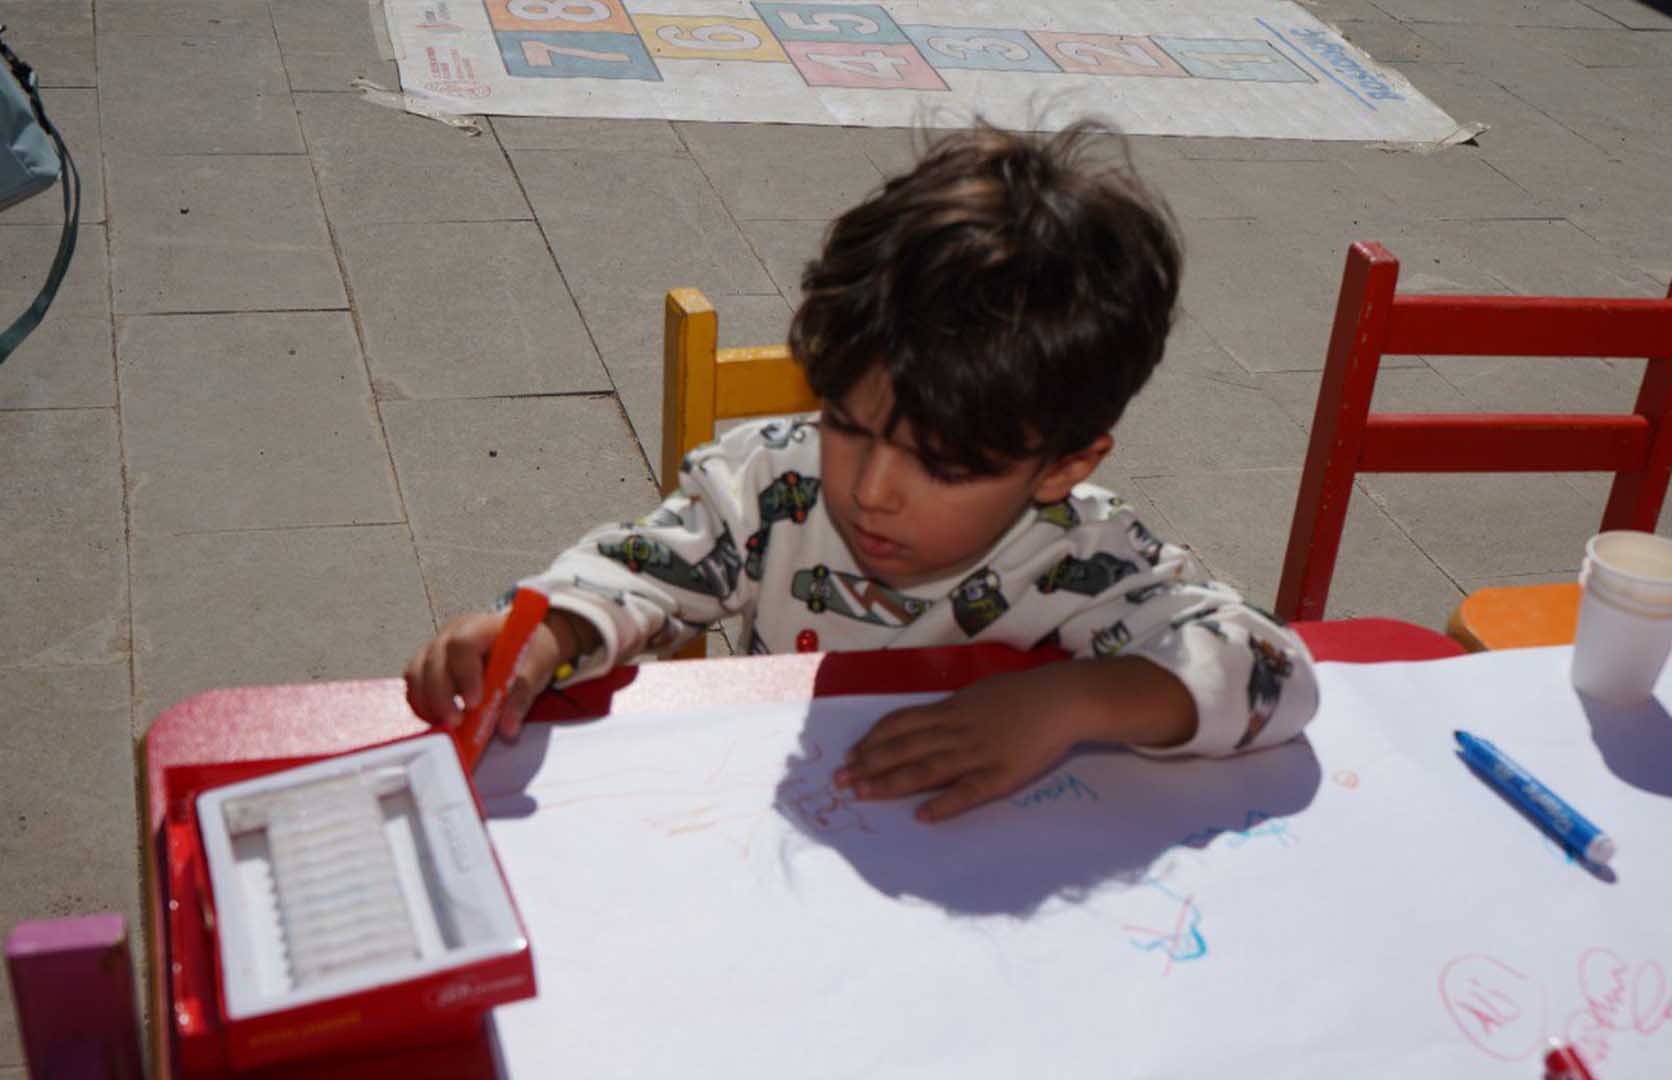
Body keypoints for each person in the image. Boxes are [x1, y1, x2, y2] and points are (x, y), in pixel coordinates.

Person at [404, 118, 1318, 822]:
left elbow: (1279, 671)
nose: (871, 490)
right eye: (846, 423)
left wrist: (1074, 700)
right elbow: (642, 565)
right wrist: (551, 629)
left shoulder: (1085, 556)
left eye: (945, 465)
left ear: (1061, 466)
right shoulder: (773, 487)